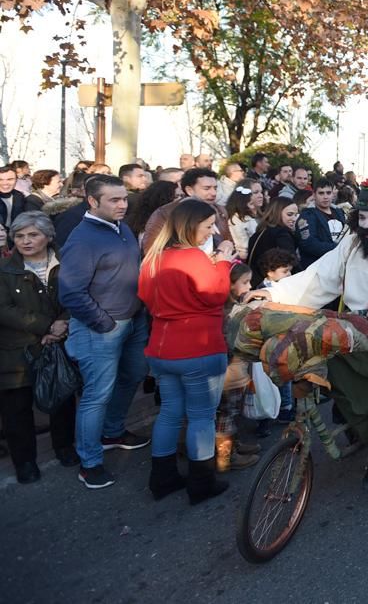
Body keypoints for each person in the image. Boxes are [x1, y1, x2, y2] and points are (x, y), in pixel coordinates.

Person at [251, 181, 368, 490]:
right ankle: (361, 424)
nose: (366, 226)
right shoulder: (351, 245)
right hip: (351, 330)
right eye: (362, 218)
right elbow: (317, 279)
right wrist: (272, 292)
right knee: (326, 374)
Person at [138, 199, 237, 503]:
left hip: (162, 347)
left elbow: (145, 296)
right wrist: (222, 261)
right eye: (208, 226)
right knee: (201, 417)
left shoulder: (153, 258)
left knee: (169, 412)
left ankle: (163, 477)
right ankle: (201, 482)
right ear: (190, 225)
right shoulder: (194, 258)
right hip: (198, 347)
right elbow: (216, 294)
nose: (211, 232)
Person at [58, 175, 150, 489]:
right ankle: (90, 462)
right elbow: (71, 293)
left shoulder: (121, 227)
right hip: (102, 327)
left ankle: (113, 431)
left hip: (133, 321)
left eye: (124, 198)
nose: (122, 205)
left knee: (134, 374)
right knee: (96, 395)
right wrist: (104, 323)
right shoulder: (82, 238)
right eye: (114, 199)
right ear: (92, 201)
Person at [0, 212, 77, 482]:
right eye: (19, 236)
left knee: (62, 399)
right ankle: (25, 462)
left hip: (58, 343)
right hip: (16, 350)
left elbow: (78, 295)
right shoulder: (5, 269)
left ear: (48, 236)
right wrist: (46, 327)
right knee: (17, 410)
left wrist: (63, 323)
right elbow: (4, 310)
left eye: (33, 235)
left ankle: (65, 447)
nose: (26, 241)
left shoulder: (65, 262)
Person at [142, 168, 232, 251]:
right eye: (206, 188)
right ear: (189, 190)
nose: (213, 193)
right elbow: (151, 249)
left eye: (215, 188)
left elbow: (228, 241)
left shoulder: (220, 211)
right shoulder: (165, 213)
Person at [247, 198, 300, 287]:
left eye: (296, 215)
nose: (294, 219)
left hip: (255, 283)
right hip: (274, 285)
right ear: (277, 213)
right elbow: (292, 263)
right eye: (289, 214)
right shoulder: (282, 234)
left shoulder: (259, 232)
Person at [297, 179, 346, 269]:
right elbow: (308, 244)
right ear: (314, 195)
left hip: (338, 265)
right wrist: (339, 248)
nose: (325, 197)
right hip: (316, 267)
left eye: (328, 193)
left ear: (333, 194)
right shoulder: (307, 215)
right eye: (321, 193)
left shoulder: (340, 212)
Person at [127, 180, 180, 245]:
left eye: (182, 196)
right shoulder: (152, 228)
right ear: (164, 200)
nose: (181, 200)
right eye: (176, 197)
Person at [225, 182, 263, 261]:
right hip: (250, 258)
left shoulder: (260, 213)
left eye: (261, 192)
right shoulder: (237, 219)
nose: (261, 196)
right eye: (256, 192)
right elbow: (244, 246)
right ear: (244, 197)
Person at [0, 164, 29, 235]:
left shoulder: (19, 197)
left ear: (16, 180)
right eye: (0, 180)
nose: (5, 183)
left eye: (10, 179)